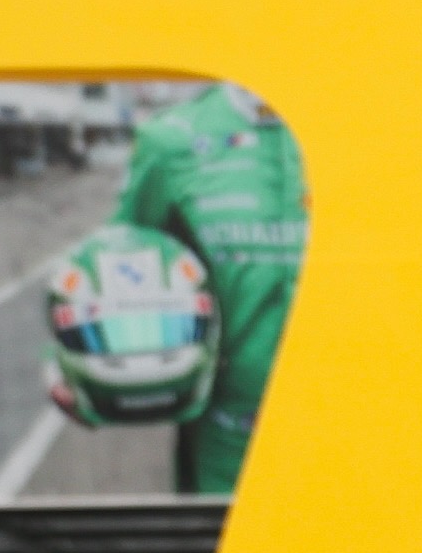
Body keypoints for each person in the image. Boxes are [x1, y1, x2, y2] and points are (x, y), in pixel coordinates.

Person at [110, 81, 306, 494]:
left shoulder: (387, 132)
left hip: (373, 438)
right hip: (228, 444)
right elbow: (121, 268)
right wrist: (91, 370)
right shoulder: (173, 139)